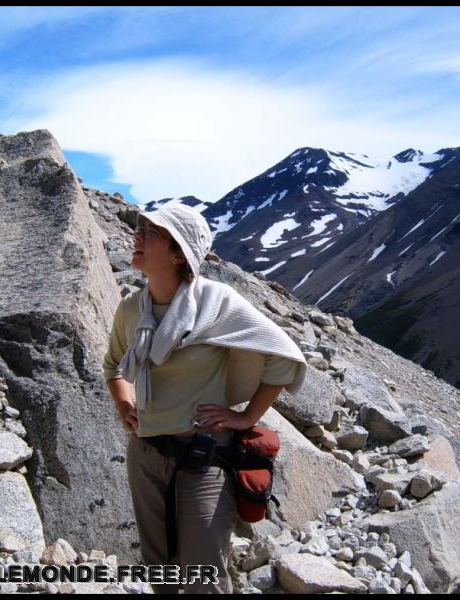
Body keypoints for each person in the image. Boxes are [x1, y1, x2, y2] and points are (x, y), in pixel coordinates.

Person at [102, 204, 307, 593]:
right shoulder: (132, 308)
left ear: (179, 252)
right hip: (145, 452)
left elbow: (283, 357)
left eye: (151, 232)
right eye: (139, 228)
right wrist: (124, 404)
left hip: (205, 455)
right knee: (158, 567)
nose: (137, 236)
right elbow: (113, 364)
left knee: (204, 574)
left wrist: (246, 418)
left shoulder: (216, 302)